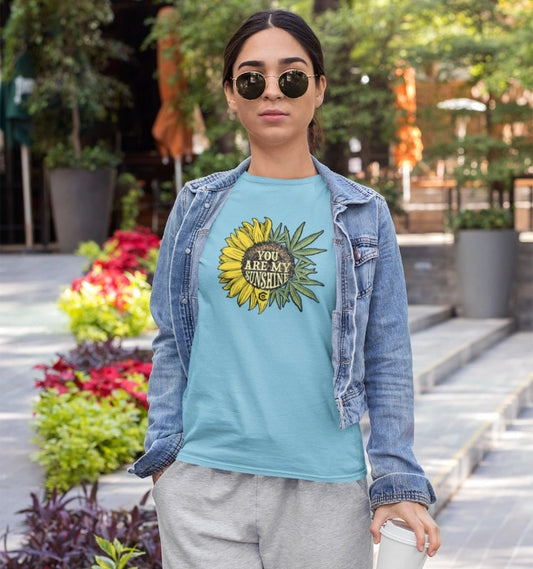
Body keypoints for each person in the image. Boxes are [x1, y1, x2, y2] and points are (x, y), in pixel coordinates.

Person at [131, 9, 440, 569]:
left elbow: (388, 354)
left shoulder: (364, 214)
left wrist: (396, 479)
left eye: (291, 76)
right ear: (230, 94)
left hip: (324, 490)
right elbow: (172, 339)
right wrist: (166, 462)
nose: (272, 91)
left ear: (318, 89)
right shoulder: (197, 205)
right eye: (251, 78)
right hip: (203, 487)